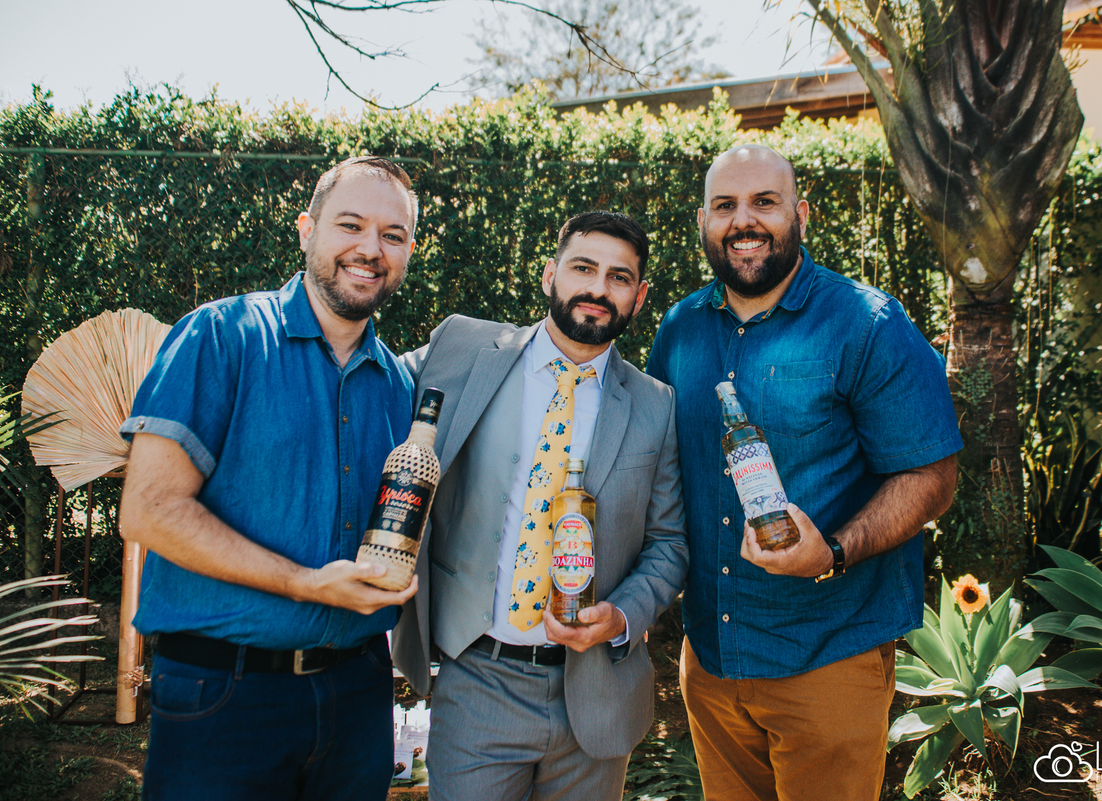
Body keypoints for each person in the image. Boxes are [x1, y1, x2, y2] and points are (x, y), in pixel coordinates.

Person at [645, 145, 963, 801]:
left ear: (801, 215)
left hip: (828, 656)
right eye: (726, 205)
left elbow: (932, 477)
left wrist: (836, 549)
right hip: (710, 658)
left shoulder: (866, 324)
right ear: (702, 220)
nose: (744, 221)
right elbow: (653, 470)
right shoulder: (679, 330)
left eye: (765, 201)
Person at [118, 155, 422, 801]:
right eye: (350, 225)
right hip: (224, 694)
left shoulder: (402, 386)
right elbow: (148, 509)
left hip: (358, 694)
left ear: (408, 251)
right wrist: (304, 583)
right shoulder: (220, 335)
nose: (370, 249)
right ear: (307, 228)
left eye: (392, 235)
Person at [391, 211, 688, 801]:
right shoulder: (464, 348)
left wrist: (623, 614)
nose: (598, 289)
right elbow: (363, 392)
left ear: (640, 294)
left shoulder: (657, 405)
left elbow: (670, 544)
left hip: (598, 696)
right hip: (478, 680)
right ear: (550, 273)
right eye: (583, 268)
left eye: (619, 277)